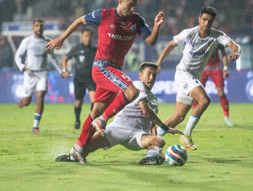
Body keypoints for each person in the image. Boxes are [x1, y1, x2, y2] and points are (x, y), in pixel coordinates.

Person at [46, 0, 164, 164]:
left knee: (96, 110)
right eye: (129, 5)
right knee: (132, 92)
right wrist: (61, 38)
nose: (131, 9)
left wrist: (156, 26)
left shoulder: (136, 20)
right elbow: (79, 21)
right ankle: (103, 121)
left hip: (114, 70)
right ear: (120, 1)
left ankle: (76, 151)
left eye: (134, 6)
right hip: (102, 67)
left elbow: (151, 41)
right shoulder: (104, 15)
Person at [55, 62, 183, 165]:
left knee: (159, 141)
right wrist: (165, 127)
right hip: (117, 129)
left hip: (138, 135)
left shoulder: (153, 99)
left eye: (154, 75)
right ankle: (72, 155)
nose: (151, 78)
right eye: (148, 74)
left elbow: (151, 124)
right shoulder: (137, 85)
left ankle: (152, 158)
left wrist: (156, 149)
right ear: (140, 76)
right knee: (86, 147)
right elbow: (145, 110)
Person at [155, 6, 241, 150]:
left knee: (178, 117)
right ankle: (187, 134)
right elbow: (171, 44)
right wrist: (158, 63)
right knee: (204, 100)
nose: (207, 23)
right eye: (204, 19)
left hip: (193, 76)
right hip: (183, 73)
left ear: (213, 22)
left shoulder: (217, 35)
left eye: (210, 21)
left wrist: (237, 52)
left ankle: (154, 138)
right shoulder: (189, 33)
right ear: (199, 19)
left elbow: (235, 46)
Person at [14, 18, 62, 133]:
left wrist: (61, 71)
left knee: (40, 96)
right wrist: (22, 67)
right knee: (27, 102)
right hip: (30, 73)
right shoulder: (27, 41)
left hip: (42, 73)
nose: (39, 28)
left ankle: (35, 126)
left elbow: (53, 58)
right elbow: (17, 56)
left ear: (44, 28)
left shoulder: (47, 41)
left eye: (41, 26)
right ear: (33, 28)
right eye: (37, 25)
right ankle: (23, 101)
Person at [61, 28, 97, 129]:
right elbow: (65, 59)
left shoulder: (95, 50)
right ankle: (77, 120)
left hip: (91, 79)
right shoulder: (76, 48)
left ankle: (92, 121)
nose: (88, 38)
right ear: (82, 37)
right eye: (86, 36)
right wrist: (65, 70)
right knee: (78, 101)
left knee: (94, 100)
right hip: (79, 79)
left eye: (90, 37)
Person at [192, 44, 234, 126]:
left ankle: (226, 118)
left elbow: (223, 53)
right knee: (197, 93)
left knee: (221, 93)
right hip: (203, 69)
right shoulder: (200, 39)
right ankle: (193, 116)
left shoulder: (217, 39)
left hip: (216, 68)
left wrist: (225, 68)